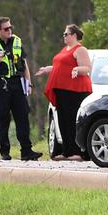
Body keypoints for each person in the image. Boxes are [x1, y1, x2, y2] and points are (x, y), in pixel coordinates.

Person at [0, 17, 42, 161]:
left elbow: (24, 64)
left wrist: (29, 83)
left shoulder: (17, 41)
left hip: (17, 84)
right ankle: (5, 152)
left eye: (10, 28)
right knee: (3, 119)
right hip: (1, 86)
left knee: (23, 117)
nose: (9, 31)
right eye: (6, 29)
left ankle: (26, 151)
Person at [35, 24, 92, 161]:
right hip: (62, 90)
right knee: (63, 121)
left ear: (73, 35)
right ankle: (67, 151)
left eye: (66, 34)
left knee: (73, 120)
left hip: (75, 90)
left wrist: (77, 70)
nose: (64, 36)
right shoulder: (65, 49)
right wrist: (48, 69)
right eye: (64, 34)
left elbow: (87, 67)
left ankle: (78, 152)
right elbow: (60, 66)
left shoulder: (80, 49)